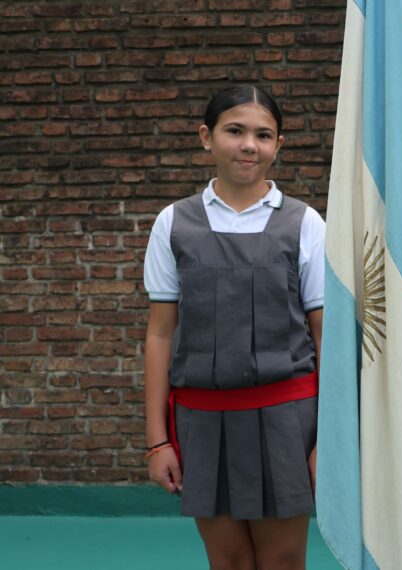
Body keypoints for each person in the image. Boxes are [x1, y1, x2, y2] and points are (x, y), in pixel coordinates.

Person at [143, 85, 325, 570]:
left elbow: (325, 336)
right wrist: (157, 439)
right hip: (202, 421)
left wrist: (326, 440)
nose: (249, 145)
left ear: (279, 145)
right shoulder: (173, 223)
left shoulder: (304, 223)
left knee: (282, 561)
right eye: (235, 131)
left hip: (287, 420)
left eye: (264, 134)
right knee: (228, 562)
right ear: (207, 137)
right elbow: (161, 334)